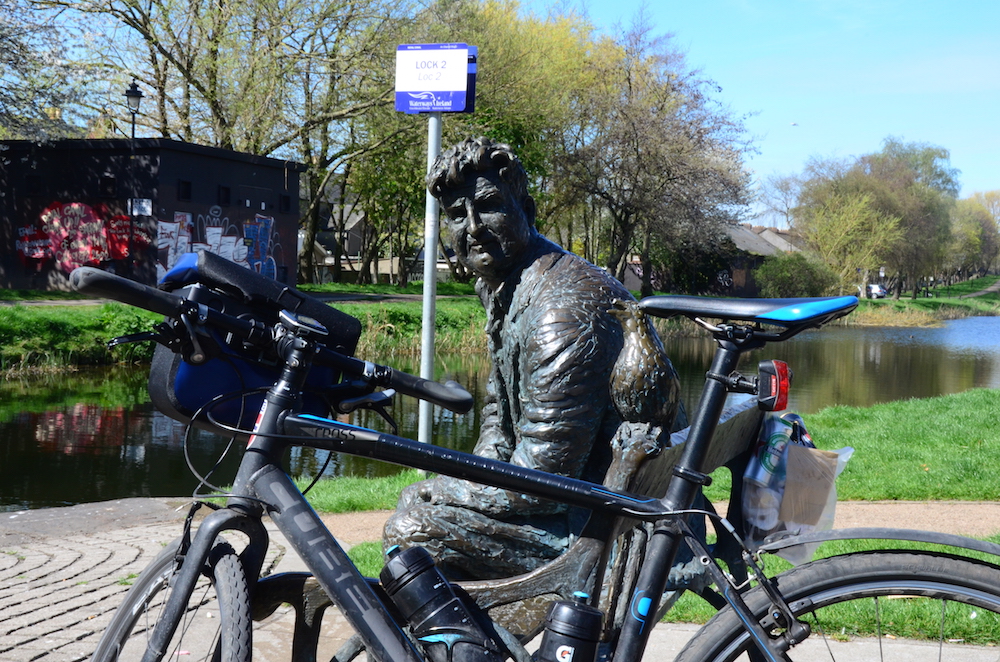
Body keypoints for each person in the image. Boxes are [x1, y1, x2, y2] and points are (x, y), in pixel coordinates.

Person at [383, 137, 685, 579]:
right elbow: (498, 414)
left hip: (604, 529)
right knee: (419, 500)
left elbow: (546, 478)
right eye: (454, 215)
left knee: (412, 529)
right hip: (597, 502)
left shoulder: (560, 309)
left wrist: (449, 489)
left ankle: (466, 647)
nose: (472, 227)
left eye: (487, 205)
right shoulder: (508, 286)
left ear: (525, 208)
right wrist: (472, 475)